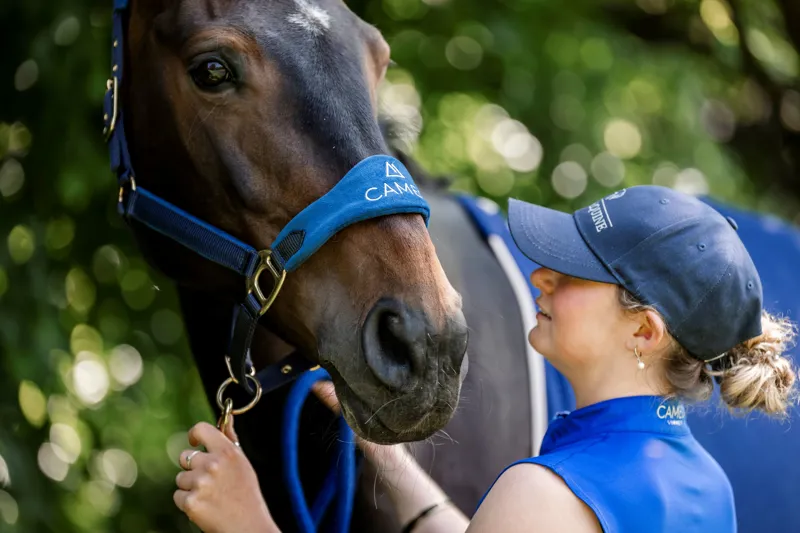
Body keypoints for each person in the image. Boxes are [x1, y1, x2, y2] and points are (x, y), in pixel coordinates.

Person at [173, 185, 798, 533]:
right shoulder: (704, 488)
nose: (544, 276)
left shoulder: (550, 492)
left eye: (578, 271)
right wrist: (388, 460)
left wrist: (246, 523)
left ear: (645, 331)